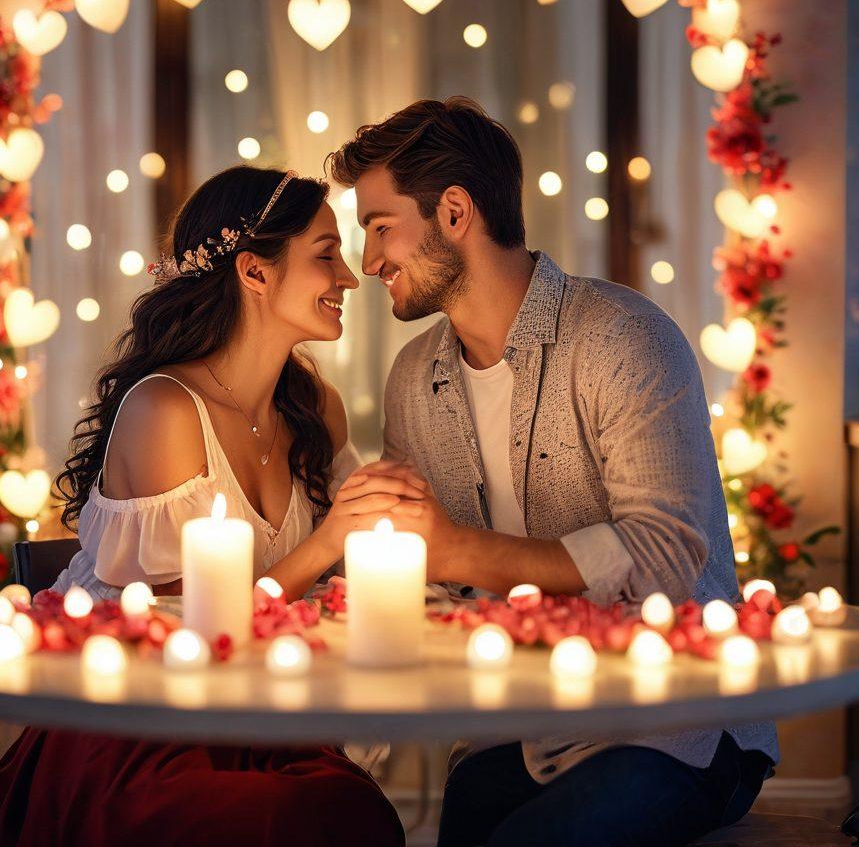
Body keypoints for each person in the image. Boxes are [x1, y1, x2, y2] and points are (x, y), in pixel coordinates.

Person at [328, 96, 780, 847]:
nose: (368, 261)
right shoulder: (412, 379)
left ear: (454, 212)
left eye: (379, 228)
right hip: (525, 731)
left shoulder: (623, 338)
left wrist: (457, 551)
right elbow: (426, 579)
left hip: (676, 722)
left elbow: (665, 555)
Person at [0, 166, 406, 847]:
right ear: (254, 271)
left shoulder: (317, 410)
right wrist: (325, 541)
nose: (348, 277)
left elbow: (353, 565)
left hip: (261, 710)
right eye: (325, 254)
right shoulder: (164, 410)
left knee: (352, 810)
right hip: (138, 718)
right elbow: (190, 631)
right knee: (288, 818)